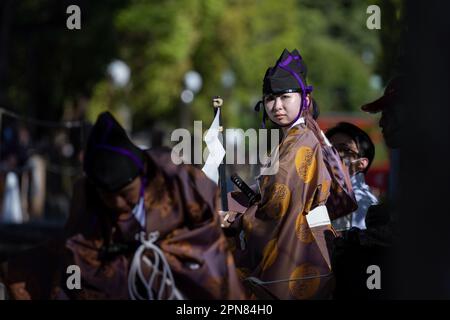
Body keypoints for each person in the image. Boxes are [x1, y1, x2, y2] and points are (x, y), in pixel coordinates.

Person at [2, 111, 244, 300]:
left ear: (141, 175)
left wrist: (159, 251)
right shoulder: (86, 195)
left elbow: (206, 221)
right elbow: (77, 253)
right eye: (109, 195)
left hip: (184, 261)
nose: (118, 203)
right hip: (118, 271)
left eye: (125, 193)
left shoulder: (175, 176)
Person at [223, 49, 336, 300]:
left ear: (305, 100)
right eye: (270, 98)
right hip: (304, 248)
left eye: (285, 97)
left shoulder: (301, 142)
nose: (277, 106)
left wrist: (235, 220)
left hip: (298, 252)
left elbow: (276, 207)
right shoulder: (296, 138)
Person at [326, 122, 378, 231]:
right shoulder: (326, 194)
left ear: (361, 163)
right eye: (329, 149)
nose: (333, 155)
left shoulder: (361, 202)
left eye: (344, 150)